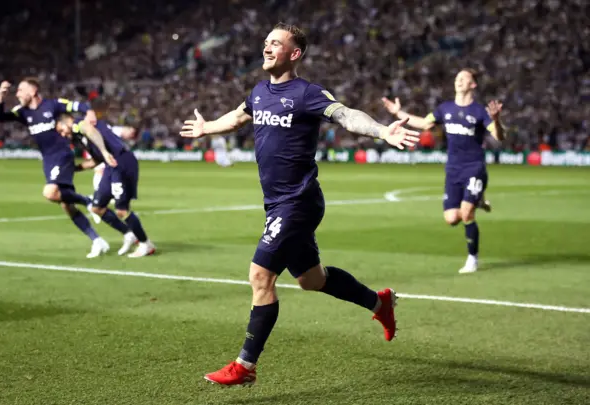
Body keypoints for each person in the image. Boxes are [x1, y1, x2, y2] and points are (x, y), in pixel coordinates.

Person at [180, 22, 419, 386]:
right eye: (266, 42)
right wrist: (207, 127)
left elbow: (346, 115)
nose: (267, 47)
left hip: (298, 201)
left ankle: (245, 365)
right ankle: (379, 303)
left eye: (276, 43)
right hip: (277, 203)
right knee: (311, 279)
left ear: (295, 54)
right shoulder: (259, 91)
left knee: (260, 276)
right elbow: (240, 116)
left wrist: (382, 130)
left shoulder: (306, 93)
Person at [382, 68, 505, 274]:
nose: (458, 80)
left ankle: (472, 259)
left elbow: (499, 137)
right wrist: (397, 113)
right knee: (451, 219)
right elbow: (423, 123)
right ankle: (479, 200)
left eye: (464, 78)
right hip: (453, 169)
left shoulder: (480, 112)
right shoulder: (444, 109)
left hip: (474, 167)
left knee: (466, 213)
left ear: (473, 84)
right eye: (457, 77)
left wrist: (497, 120)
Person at [0, 78, 110, 258]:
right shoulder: (22, 112)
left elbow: (78, 105)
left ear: (32, 92)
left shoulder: (53, 105)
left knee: (49, 192)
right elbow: (0, 117)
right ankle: (97, 240)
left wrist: (89, 113)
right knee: (67, 206)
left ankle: (88, 201)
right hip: (48, 160)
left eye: (20, 90)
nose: (17, 94)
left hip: (62, 154)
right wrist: (1, 97)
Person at [56, 114, 155, 258]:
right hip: (111, 165)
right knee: (97, 208)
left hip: (122, 161)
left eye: (61, 129)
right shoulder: (79, 137)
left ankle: (146, 244)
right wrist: (73, 169)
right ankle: (129, 233)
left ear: (67, 122)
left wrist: (104, 151)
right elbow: (95, 161)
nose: (63, 134)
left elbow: (90, 130)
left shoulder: (79, 124)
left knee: (122, 210)